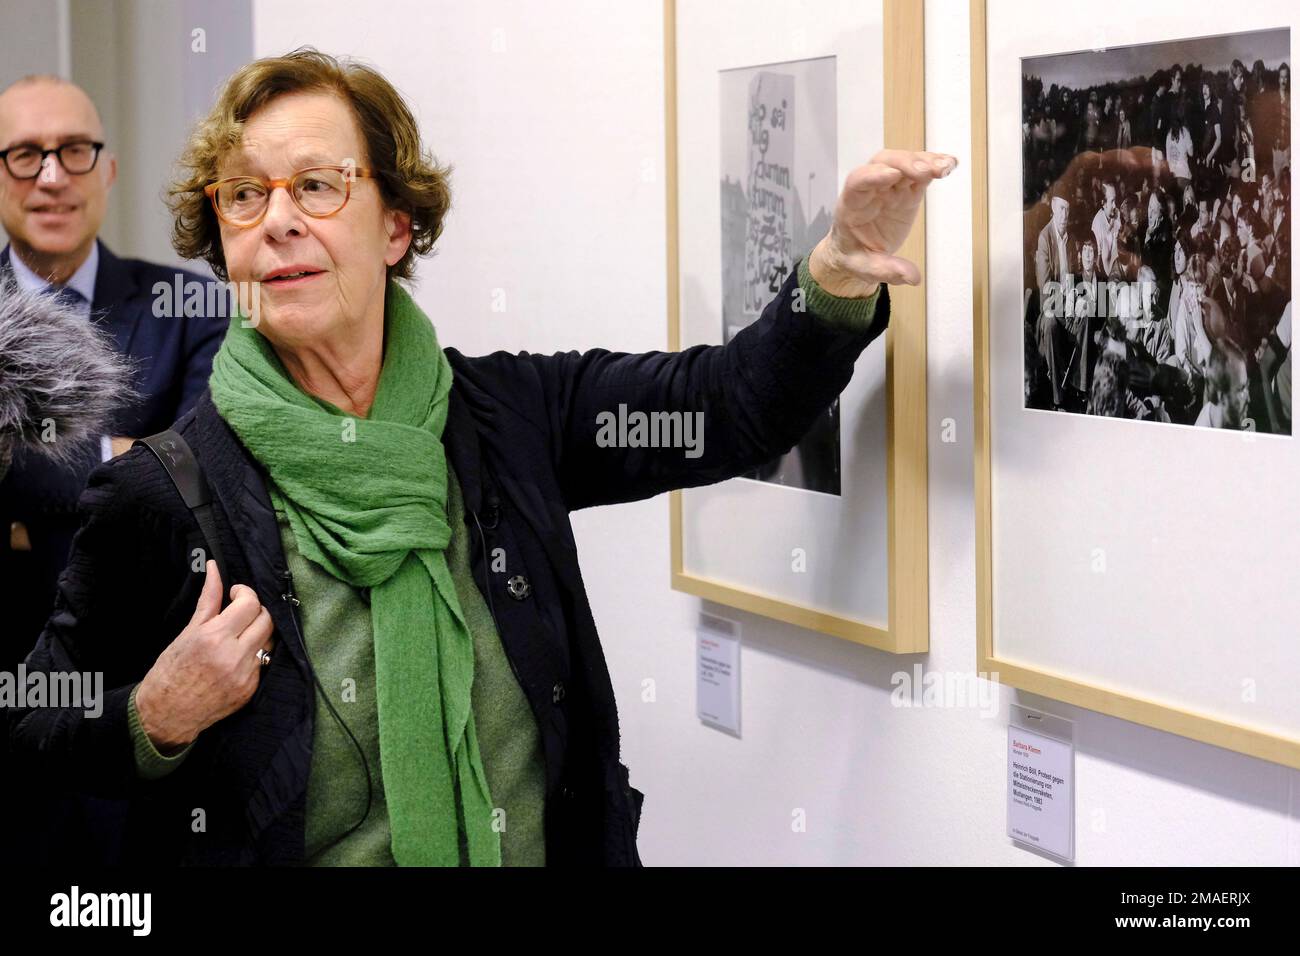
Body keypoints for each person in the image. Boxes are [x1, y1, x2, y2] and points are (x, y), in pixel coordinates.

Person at [7, 49, 956, 866]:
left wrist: (834, 268)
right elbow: (31, 719)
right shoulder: (159, 495)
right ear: (222, 240)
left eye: (319, 185)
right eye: (246, 195)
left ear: (396, 225)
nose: (278, 220)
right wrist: (155, 717)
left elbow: (730, 407)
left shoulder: (510, 418)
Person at [0, 74, 227, 867]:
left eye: (73, 150)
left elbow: (200, 480)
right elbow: (152, 472)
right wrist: (127, 456)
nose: (52, 175)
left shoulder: (190, 305)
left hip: (158, 694)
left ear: (109, 169)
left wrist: (26, 483)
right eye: (24, 155)